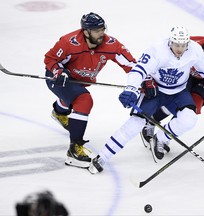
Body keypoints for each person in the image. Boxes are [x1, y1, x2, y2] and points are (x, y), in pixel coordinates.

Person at [88, 26, 204, 174]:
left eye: (183, 45)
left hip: (179, 92)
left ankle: (161, 138)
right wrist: (133, 87)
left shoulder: (194, 50)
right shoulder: (157, 50)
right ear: (170, 42)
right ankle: (102, 157)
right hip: (157, 91)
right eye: (176, 45)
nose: (180, 49)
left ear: (188, 43)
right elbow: (139, 70)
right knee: (134, 124)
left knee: (189, 119)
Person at [44, 12, 136, 169]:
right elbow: (50, 58)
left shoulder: (111, 44)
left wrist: (145, 81)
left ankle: (59, 111)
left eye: (102, 29)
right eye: (97, 30)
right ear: (85, 32)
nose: (101, 33)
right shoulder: (68, 42)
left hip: (80, 81)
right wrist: (59, 71)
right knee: (84, 100)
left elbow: (132, 65)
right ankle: (74, 150)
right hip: (59, 79)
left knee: (73, 98)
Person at [141, 31, 204, 148]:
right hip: (184, 74)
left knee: (193, 109)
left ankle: (164, 136)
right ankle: (152, 120)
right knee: (175, 100)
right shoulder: (191, 44)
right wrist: (148, 77)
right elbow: (162, 50)